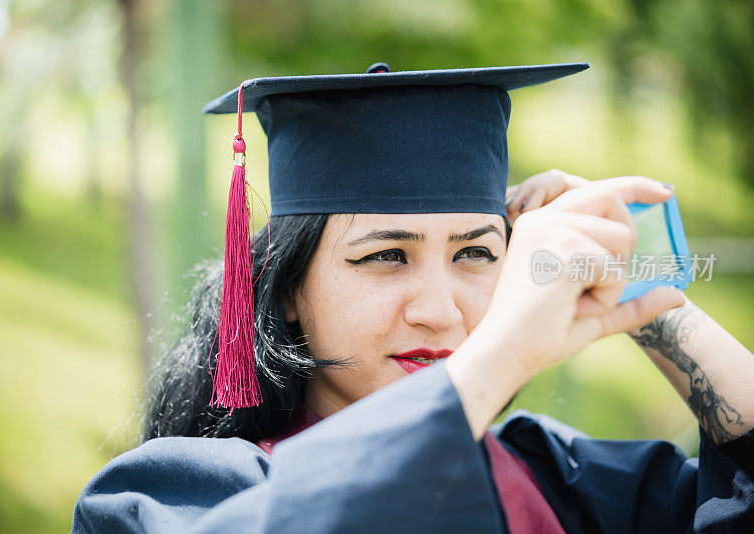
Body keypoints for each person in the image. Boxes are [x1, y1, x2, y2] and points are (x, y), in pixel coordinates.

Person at [72, 62, 754, 533]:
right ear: (286, 290)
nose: (441, 308)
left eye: (477, 254)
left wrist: (642, 291)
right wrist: (496, 357)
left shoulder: (555, 479)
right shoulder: (176, 496)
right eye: (387, 256)